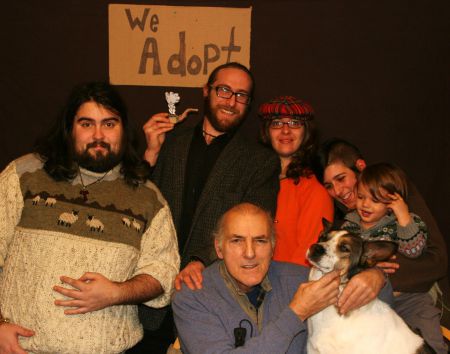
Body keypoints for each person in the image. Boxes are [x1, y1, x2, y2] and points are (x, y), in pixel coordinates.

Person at [0, 82, 180, 354]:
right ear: (70, 128)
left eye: (109, 124)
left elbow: (163, 274)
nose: (98, 135)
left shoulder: (148, 198)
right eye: (86, 124)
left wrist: (117, 293)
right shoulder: (24, 174)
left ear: (123, 129)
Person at [136, 62, 280, 352]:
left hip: (209, 295)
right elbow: (134, 205)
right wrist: (150, 153)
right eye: (224, 90)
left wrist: (201, 259)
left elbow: (253, 225)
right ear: (206, 91)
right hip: (148, 295)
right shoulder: (169, 141)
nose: (231, 101)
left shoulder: (260, 161)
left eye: (241, 95)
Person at [172, 202, 393, 353]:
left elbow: (381, 300)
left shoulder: (301, 279)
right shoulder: (193, 296)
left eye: (260, 241)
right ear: (219, 249)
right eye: (237, 240)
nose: (250, 253)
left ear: (273, 247)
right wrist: (297, 312)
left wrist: (375, 277)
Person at [317, 138, 448, 354]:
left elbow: (434, 259)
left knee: (428, 343)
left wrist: (380, 275)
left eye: (341, 179)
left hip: (410, 296)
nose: (338, 191)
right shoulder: (346, 222)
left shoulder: (394, 193)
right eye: (329, 186)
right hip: (368, 306)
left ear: (360, 167)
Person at [258, 96, 333, 266]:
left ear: (306, 132)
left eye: (294, 123)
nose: (285, 130)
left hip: (285, 285)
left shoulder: (313, 191)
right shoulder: (254, 180)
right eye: (277, 123)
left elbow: (306, 259)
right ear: (267, 132)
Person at [342, 163, 427, 258]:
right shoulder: (349, 225)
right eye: (360, 197)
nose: (365, 204)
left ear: (393, 202)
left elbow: (414, 252)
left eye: (375, 200)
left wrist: (403, 217)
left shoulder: (407, 222)